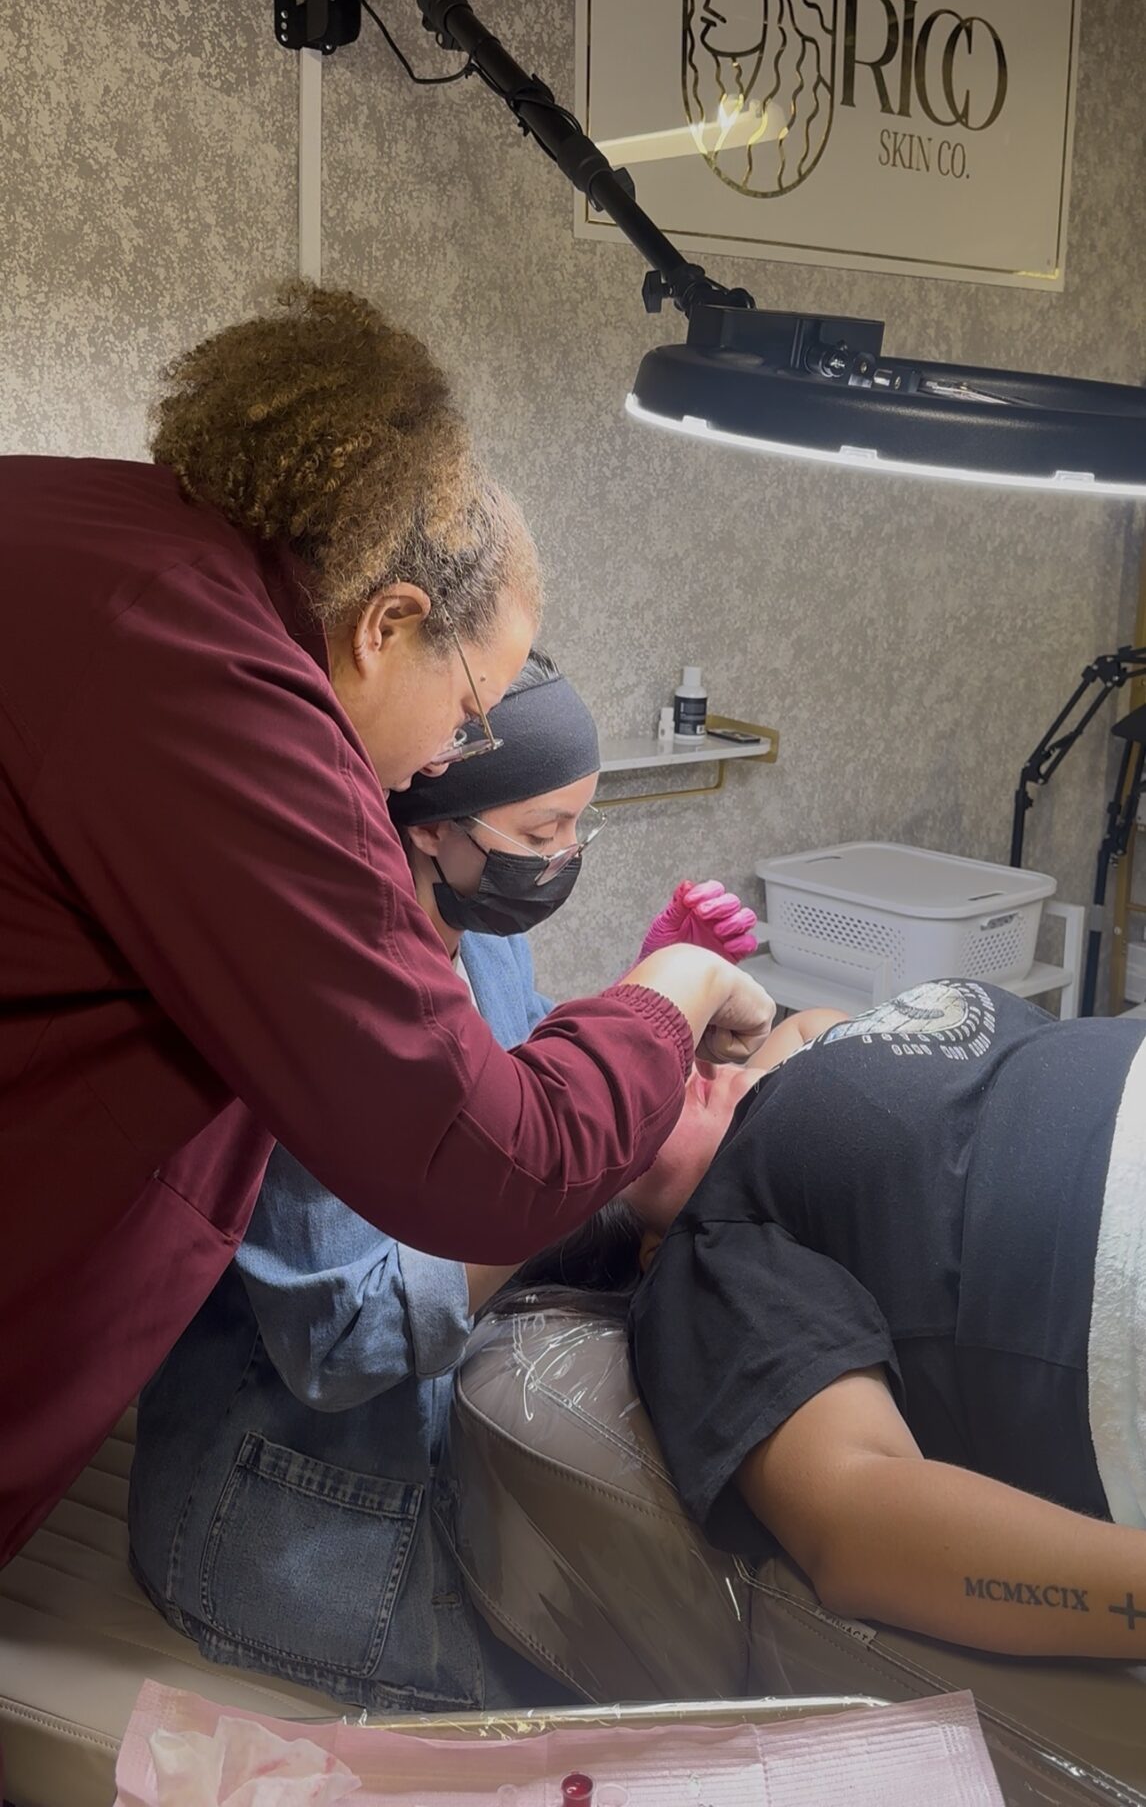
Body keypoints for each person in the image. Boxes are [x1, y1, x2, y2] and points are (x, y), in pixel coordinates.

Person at [0, 283, 774, 1568]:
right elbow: (487, 1156)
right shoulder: (228, 698)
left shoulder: (95, 523)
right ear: (388, 623)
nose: (444, 760)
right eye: (469, 714)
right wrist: (674, 989)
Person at [129, 649, 760, 1710]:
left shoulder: (475, 930)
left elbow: (515, 1104)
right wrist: (581, 1157)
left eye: (577, 827)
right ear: (431, 823)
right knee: (638, 1697)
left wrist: (627, 1035)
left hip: (430, 1455)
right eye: (540, 832)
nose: (563, 858)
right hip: (286, 1526)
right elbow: (345, 1335)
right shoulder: (323, 1009)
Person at [527, 981, 1146, 1660]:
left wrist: (699, 1008)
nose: (669, 1066)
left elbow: (802, 1025)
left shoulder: (793, 1070)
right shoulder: (705, 1249)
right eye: (617, 1089)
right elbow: (860, 1527)